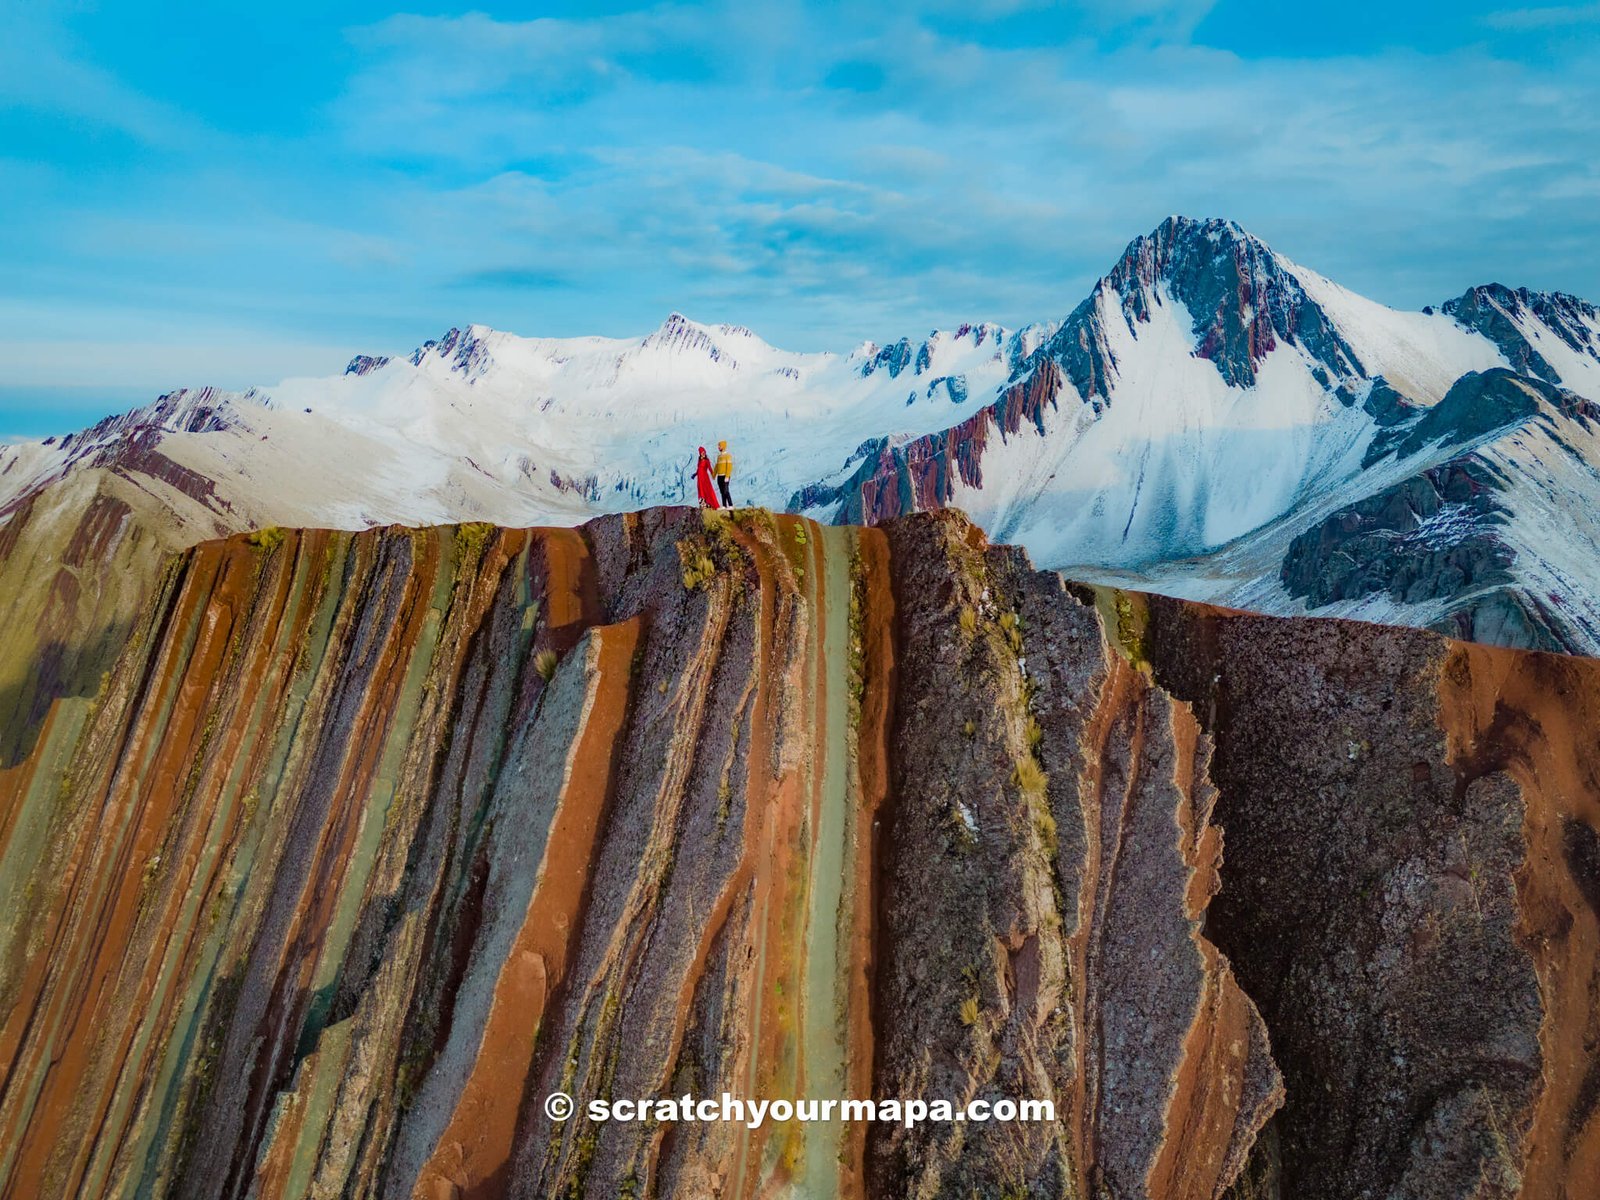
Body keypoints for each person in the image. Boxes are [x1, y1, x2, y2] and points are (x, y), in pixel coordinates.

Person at [714, 440, 734, 507]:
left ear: (723, 446)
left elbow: (729, 466)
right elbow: (717, 466)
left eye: (719, 446)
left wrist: (727, 476)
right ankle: (724, 505)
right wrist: (714, 475)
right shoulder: (719, 457)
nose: (718, 447)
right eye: (718, 446)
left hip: (725, 476)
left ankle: (730, 505)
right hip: (719, 476)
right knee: (722, 492)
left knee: (726, 491)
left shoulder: (728, 456)